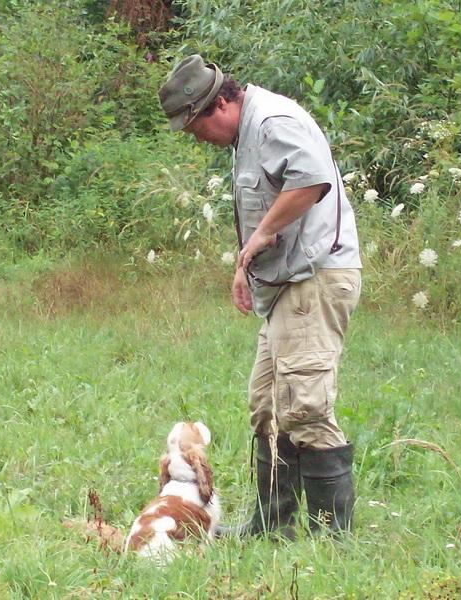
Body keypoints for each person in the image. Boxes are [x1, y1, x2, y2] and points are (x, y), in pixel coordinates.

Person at [158, 55, 362, 538]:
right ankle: (272, 524)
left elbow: (312, 181)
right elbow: (264, 209)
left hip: (312, 280)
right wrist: (244, 265)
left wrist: (261, 235)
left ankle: (332, 536)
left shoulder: (273, 122)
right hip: (284, 285)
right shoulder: (246, 133)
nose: (196, 138)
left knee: (305, 407)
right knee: (267, 405)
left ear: (220, 104)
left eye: (194, 128)